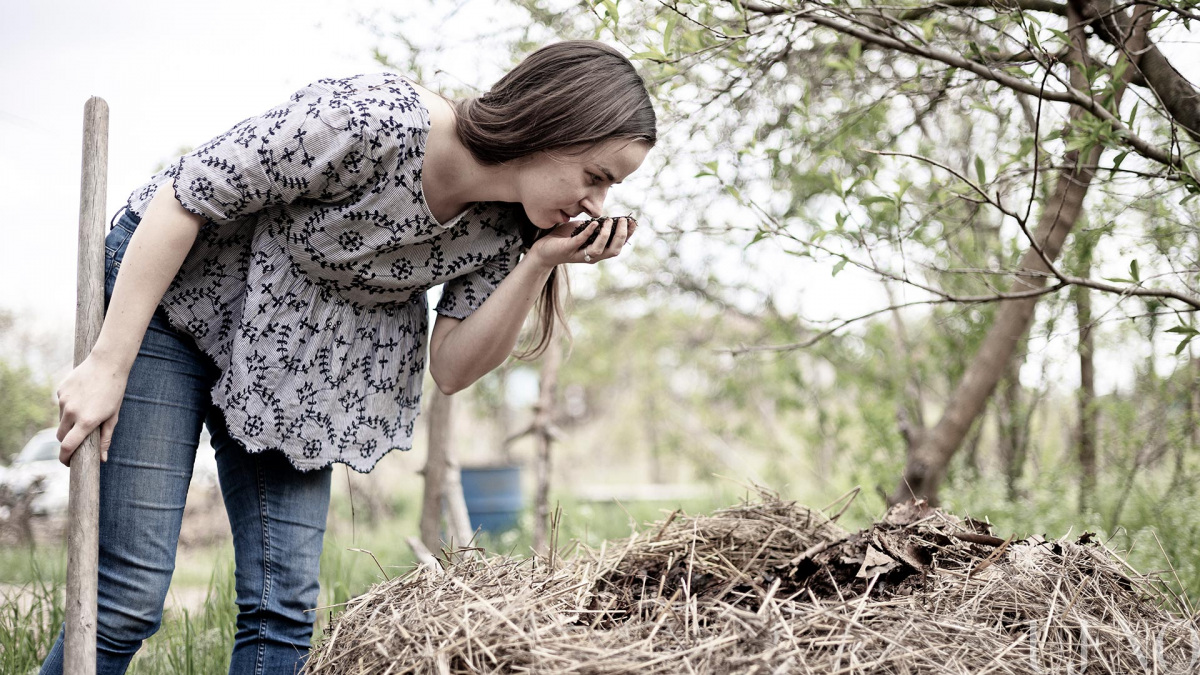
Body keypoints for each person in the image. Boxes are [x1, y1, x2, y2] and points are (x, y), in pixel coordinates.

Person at [42, 39, 656, 675]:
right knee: (125, 601)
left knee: (283, 609)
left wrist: (537, 263)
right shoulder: (372, 120)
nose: (597, 204)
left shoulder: (511, 229)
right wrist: (108, 365)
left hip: (294, 365)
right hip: (176, 307)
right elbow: (187, 196)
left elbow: (452, 368)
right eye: (596, 177)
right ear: (552, 126)